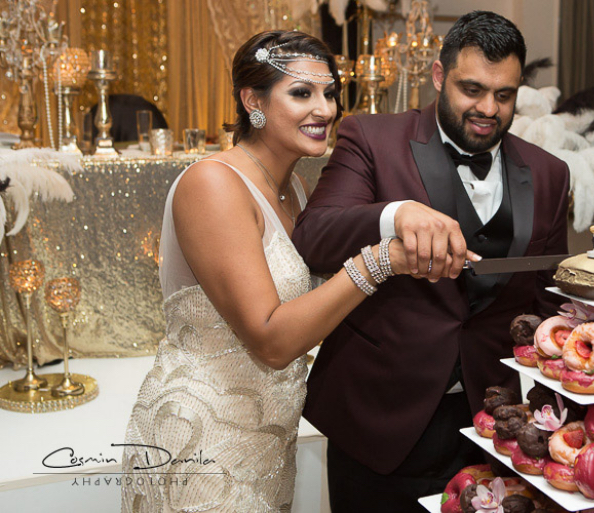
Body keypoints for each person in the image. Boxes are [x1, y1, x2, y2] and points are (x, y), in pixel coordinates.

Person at [119, 30, 453, 512]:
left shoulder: (294, 189)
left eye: (329, 93)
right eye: (302, 93)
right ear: (252, 99)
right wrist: (381, 260)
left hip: (268, 444)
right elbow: (272, 340)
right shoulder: (212, 183)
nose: (324, 110)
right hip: (200, 441)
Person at [292, 11, 570, 512]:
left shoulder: (550, 173)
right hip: (380, 423)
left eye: (504, 95)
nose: (488, 108)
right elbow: (314, 237)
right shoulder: (371, 139)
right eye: (472, 89)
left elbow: (549, 303)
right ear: (439, 77)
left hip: (492, 426)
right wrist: (395, 215)